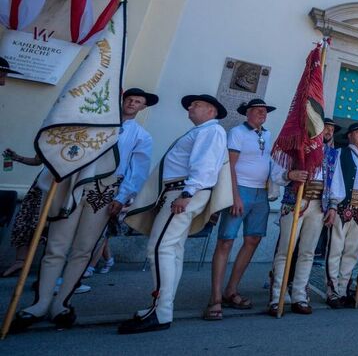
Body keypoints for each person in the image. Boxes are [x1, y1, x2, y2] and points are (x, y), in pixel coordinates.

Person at [10, 87, 157, 333]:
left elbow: (138, 170)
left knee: (83, 249)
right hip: (72, 185)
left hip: (106, 192)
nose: (132, 103)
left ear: (143, 108)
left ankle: (62, 303)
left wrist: (122, 197)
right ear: (122, 101)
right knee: (56, 245)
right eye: (130, 99)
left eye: (138, 102)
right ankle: (40, 303)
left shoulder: (142, 136)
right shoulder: (92, 123)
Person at [119, 94, 231, 334]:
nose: (190, 107)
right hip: (180, 191)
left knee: (160, 248)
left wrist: (188, 192)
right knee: (173, 250)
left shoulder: (211, 131)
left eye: (196, 104)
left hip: (183, 192)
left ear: (211, 111)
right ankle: (162, 308)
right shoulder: (204, 131)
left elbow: (205, 165)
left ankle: (160, 312)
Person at [205, 99, 280, 320]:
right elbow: (230, 165)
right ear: (247, 113)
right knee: (226, 240)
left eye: (265, 111)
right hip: (241, 191)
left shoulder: (266, 135)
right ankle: (215, 297)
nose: (262, 114)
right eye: (258, 111)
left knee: (253, 240)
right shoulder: (237, 132)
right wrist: (234, 195)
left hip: (260, 194)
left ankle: (231, 289)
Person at [267, 116, 339, 316]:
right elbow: (276, 173)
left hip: (318, 206)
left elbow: (335, 183)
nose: (328, 132)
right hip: (294, 203)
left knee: (308, 252)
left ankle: (299, 294)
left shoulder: (332, 154)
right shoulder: (297, 147)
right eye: (325, 128)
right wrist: (290, 175)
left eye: (331, 130)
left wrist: (332, 206)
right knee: (285, 251)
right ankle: (277, 295)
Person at [325, 122, 358, 308]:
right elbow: (334, 179)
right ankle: (332, 291)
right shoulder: (340, 153)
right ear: (349, 136)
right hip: (343, 205)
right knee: (335, 248)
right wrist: (333, 204)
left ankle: (344, 289)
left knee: (352, 251)